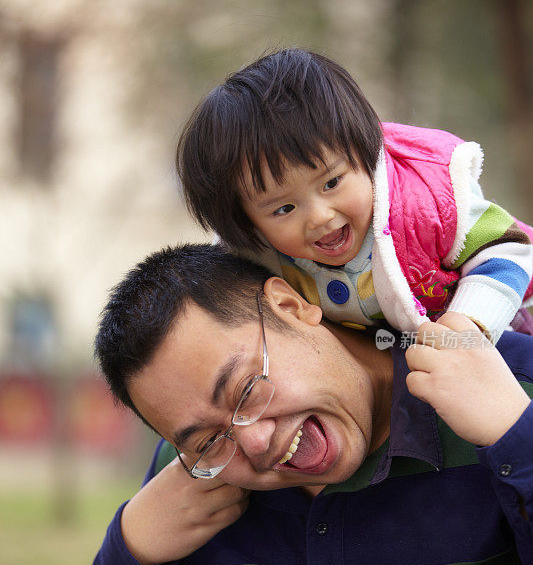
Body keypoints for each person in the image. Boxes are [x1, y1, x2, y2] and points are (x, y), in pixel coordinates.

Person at [2, 243, 533, 565]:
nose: (254, 443)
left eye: (244, 389)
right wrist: (134, 542)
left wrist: (516, 437)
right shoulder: (200, 471)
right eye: (208, 439)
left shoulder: (502, 387)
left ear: (291, 306)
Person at [176, 48, 533, 343]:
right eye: (284, 208)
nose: (319, 217)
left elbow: (508, 248)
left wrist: (469, 324)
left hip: (499, 345)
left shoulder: (424, 202)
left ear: (365, 153)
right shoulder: (255, 260)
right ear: (245, 222)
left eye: (331, 183)